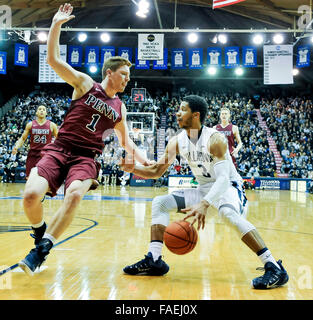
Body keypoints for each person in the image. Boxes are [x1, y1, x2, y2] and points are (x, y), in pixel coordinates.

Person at [18, 3, 150, 276]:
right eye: (124, 74)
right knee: (31, 196)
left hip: (86, 157)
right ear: (109, 72)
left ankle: (41, 250)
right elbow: (53, 60)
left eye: (129, 76)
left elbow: (127, 143)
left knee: (75, 194)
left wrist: (148, 161)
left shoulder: (120, 108)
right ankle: (39, 231)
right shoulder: (86, 84)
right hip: (60, 148)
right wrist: (56, 24)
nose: (127, 79)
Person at [120, 95, 288, 289]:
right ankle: (154, 260)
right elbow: (156, 171)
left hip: (229, 188)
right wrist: (133, 169)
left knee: (227, 214)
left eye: (183, 109)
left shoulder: (215, 139)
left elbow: (224, 179)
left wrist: (205, 202)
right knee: (160, 202)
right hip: (204, 190)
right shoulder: (177, 141)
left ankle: (274, 267)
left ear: (196, 115)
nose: (177, 113)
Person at [12, 105, 58, 178]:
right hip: (33, 153)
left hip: (45, 154)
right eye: (40, 109)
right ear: (36, 112)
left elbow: (59, 138)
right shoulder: (30, 124)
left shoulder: (52, 125)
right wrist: (16, 147)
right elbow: (23, 138)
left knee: (44, 177)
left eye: (43, 109)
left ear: (46, 113)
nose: (42, 110)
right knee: (29, 177)